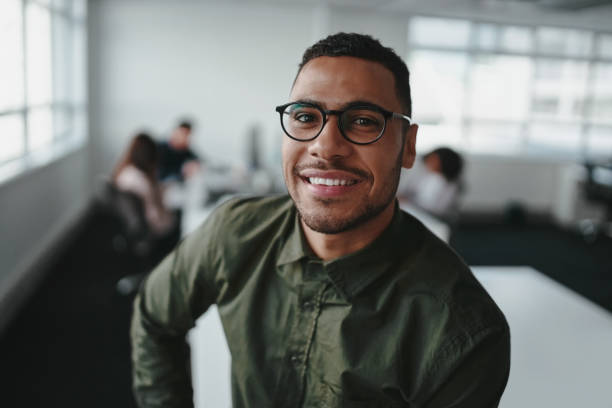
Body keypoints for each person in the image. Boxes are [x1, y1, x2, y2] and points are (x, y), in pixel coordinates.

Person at [131, 33, 510, 407]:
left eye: (363, 120)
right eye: (306, 116)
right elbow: (154, 316)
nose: (325, 146)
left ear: (408, 146)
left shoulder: (461, 331)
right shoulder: (235, 232)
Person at [113, 132, 176, 236]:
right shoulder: (141, 181)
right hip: (152, 233)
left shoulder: (125, 172)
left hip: (131, 228)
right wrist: (171, 218)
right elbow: (154, 218)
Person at [398, 147, 465, 219]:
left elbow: (436, 209)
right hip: (418, 212)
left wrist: (408, 202)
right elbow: (413, 191)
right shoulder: (428, 175)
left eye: (434, 159)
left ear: (445, 162)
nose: (429, 162)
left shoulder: (448, 184)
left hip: (433, 219)